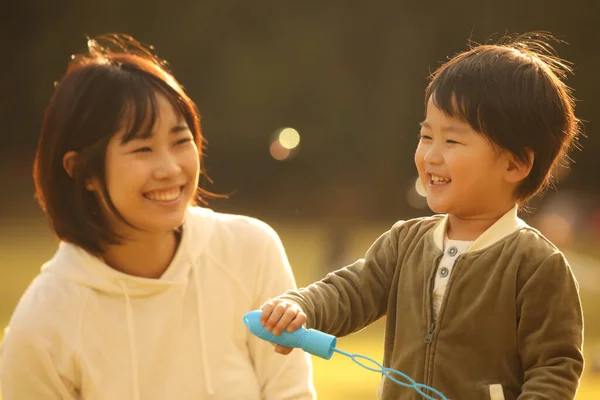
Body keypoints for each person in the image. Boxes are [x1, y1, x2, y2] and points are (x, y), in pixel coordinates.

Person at [260, 32, 584, 399]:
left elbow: (554, 368)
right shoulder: (404, 243)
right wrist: (299, 307)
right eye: (427, 136)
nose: (431, 155)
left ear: (515, 164)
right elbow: (348, 291)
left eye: (452, 141)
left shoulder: (535, 263)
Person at [0, 33, 315, 400]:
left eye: (181, 141)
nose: (170, 168)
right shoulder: (43, 324)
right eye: (142, 148)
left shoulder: (250, 251)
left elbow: (290, 393)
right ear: (83, 172)